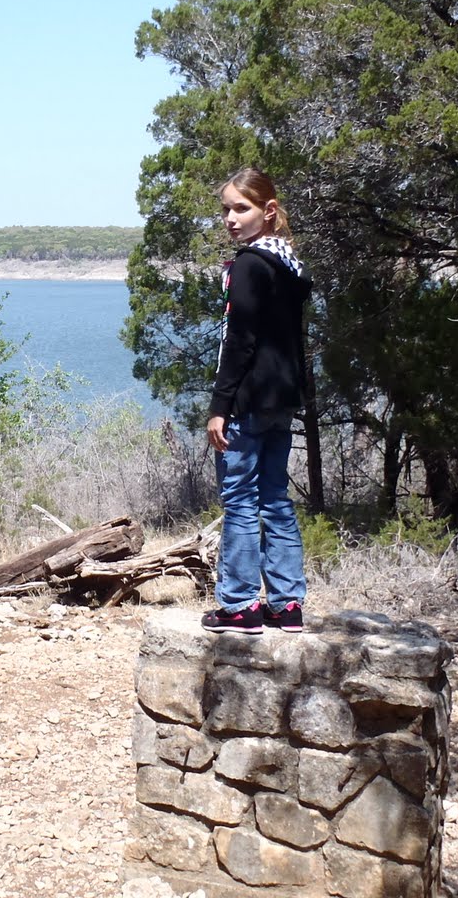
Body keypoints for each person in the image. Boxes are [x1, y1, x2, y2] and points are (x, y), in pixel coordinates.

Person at [201, 167, 311, 635]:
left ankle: (240, 605)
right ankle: (287, 605)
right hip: (282, 400)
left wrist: (220, 406)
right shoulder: (288, 264)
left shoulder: (248, 264)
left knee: (241, 501)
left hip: (248, 402)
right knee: (275, 499)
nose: (230, 218)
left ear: (268, 211)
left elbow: (240, 341)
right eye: (225, 209)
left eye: (240, 208)